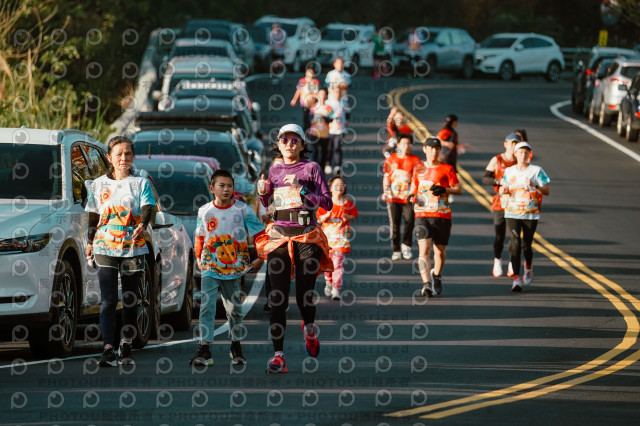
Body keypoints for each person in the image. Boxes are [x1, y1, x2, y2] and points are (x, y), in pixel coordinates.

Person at [255, 123, 333, 374]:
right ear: (278, 144)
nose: (289, 144)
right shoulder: (274, 169)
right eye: (284, 140)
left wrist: (302, 188)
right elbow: (269, 202)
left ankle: (309, 328)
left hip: (306, 235)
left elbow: (327, 203)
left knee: (304, 295)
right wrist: (263, 193)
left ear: (302, 145)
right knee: (276, 298)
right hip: (279, 236)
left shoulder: (312, 168)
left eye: (294, 140)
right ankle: (279, 356)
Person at [85, 136, 156, 367]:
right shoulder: (98, 185)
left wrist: (142, 225)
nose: (123, 158)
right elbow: (93, 215)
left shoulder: (140, 183)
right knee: (108, 300)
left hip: (132, 248)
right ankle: (107, 348)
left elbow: (148, 207)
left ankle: (126, 343)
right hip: (104, 246)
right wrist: (89, 242)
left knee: (129, 298)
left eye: (128, 154)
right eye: (118, 154)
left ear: (133, 157)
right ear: (109, 157)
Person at [190, 169, 265, 366]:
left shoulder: (243, 210)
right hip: (210, 265)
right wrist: (198, 256)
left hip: (234, 267)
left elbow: (260, 234)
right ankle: (204, 349)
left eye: (229, 186)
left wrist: (261, 257)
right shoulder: (205, 210)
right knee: (207, 306)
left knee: (234, 309)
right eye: (221, 186)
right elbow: (199, 235)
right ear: (211, 188)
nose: (226, 189)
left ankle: (236, 345)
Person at [410, 137, 463, 297]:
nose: (434, 151)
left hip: (442, 214)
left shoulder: (447, 168)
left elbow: (459, 189)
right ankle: (426, 284)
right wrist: (411, 196)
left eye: (437, 148)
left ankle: (437, 275)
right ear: (425, 149)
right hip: (422, 214)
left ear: (439, 150)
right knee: (424, 250)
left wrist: (444, 190)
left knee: (439, 252)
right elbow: (414, 188)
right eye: (431, 148)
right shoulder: (418, 168)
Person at [499, 141, 550, 292]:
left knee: (526, 245)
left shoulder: (536, 171)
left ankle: (528, 267)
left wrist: (534, 185)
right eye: (520, 152)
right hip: (512, 212)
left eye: (526, 152)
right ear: (515, 154)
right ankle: (516, 278)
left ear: (529, 154)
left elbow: (546, 191)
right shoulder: (509, 171)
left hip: (530, 214)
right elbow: (503, 188)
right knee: (515, 243)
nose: (523, 155)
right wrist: (503, 190)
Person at [482, 132, 520, 278]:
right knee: (500, 235)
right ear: (505, 144)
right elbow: (485, 178)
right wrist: (498, 182)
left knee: (514, 236)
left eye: (516, 143)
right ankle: (497, 260)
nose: (514, 146)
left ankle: (512, 262)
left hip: (516, 202)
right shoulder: (497, 160)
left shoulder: (520, 161)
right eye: (512, 143)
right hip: (500, 201)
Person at [316, 176, 358, 300]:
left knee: (338, 264)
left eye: (341, 184)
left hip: (341, 240)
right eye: (336, 184)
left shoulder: (348, 203)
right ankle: (328, 281)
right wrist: (327, 215)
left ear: (344, 188)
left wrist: (347, 217)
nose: (339, 187)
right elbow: (319, 219)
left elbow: (354, 214)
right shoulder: (326, 203)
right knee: (327, 263)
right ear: (330, 188)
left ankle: (336, 288)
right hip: (327, 241)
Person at [382, 133, 421, 261]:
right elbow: (386, 177)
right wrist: (386, 191)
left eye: (409, 144)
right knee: (395, 224)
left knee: (410, 221)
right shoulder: (391, 159)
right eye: (404, 143)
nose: (407, 146)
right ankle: (396, 249)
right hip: (393, 197)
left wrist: (413, 193)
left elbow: (416, 179)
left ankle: (406, 246)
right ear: (398, 145)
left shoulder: (416, 161)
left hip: (408, 197)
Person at [308, 88, 333, 172]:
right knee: (314, 152)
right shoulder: (313, 107)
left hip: (325, 134)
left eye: (324, 94)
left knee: (324, 153)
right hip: (314, 133)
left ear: (326, 96)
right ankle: (313, 170)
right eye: (320, 94)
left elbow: (331, 119)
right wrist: (312, 120)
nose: (322, 96)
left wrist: (323, 117)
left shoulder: (329, 108)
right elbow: (310, 118)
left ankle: (321, 171)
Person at [290, 66, 320, 131]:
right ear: (306, 73)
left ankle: (311, 130)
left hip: (313, 102)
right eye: (309, 72)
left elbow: (317, 92)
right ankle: (305, 130)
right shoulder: (302, 81)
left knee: (312, 116)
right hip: (305, 102)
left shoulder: (315, 81)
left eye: (312, 73)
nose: (310, 74)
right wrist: (294, 99)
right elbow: (298, 90)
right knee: (306, 116)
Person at [324, 86, 346, 175]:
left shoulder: (343, 101)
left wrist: (347, 120)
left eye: (339, 92)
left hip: (340, 129)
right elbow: (326, 116)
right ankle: (328, 163)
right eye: (335, 92)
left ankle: (337, 166)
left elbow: (348, 111)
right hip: (330, 129)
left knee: (337, 147)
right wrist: (333, 116)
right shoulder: (328, 103)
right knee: (329, 147)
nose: (337, 94)